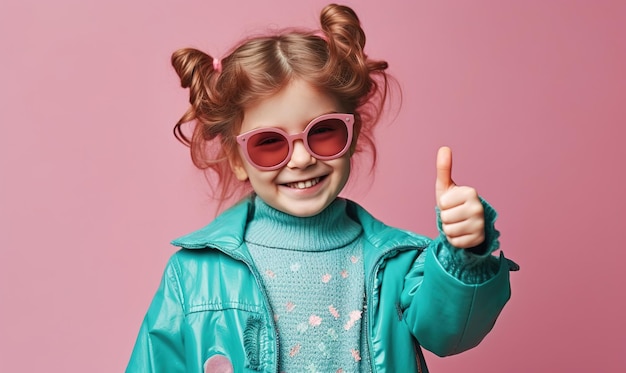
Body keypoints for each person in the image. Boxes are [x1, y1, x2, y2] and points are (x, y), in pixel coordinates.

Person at [127, 4, 517, 372]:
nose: (300, 159)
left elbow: (451, 331)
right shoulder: (195, 273)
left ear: (353, 134)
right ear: (235, 158)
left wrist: (463, 252)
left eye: (323, 133)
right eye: (270, 143)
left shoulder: (396, 263)